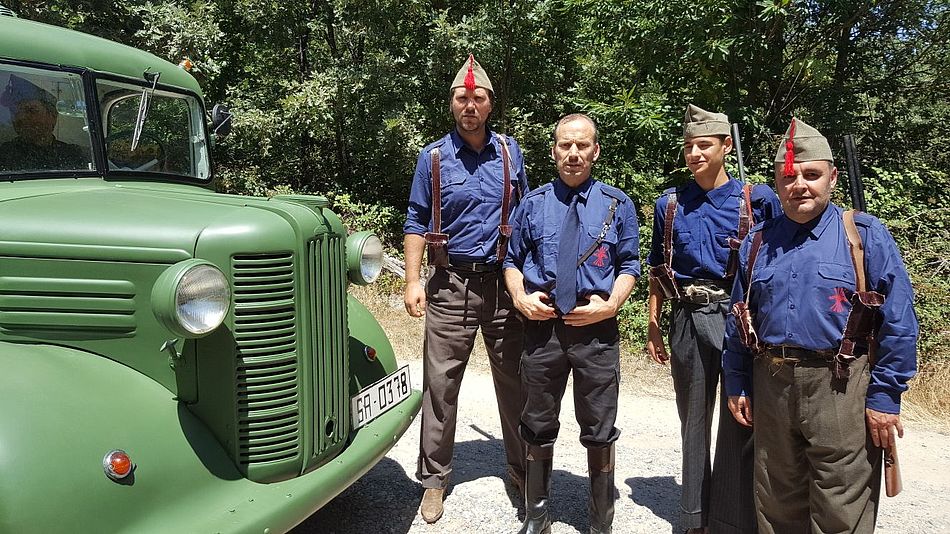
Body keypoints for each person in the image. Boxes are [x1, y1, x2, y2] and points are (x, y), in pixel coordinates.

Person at [722, 118, 918, 533]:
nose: (799, 186)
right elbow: (738, 317)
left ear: (832, 177)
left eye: (811, 175)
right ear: (777, 183)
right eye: (788, 177)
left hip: (839, 385)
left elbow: (898, 322)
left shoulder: (862, 236)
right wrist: (737, 381)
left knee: (841, 502)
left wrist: (885, 397)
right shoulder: (757, 241)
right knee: (776, 498)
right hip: (771, 381)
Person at [403, 54, 529, 524]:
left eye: (477, 98)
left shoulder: (510, 153)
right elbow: (416, 219)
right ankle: (434, 480)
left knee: (514, 382)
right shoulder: (433, 157)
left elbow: (525, 216)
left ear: (490, 104)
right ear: (452, 104)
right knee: (440, 386)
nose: (469, 105)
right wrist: (412, 280)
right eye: (461, 98)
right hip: (449, 284)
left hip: (501, 285)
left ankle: (522, 470)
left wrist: (529, 279)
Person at [646, 104, 782, 534]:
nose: (695, 154)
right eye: (689, 146)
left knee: (743, 414)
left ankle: (736, 515)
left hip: (738, 319)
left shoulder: (757, 200)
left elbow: (776, 262)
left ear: (725, 146)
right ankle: (695, 517)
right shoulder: (670, 204)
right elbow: (657, 267)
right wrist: (653, 324)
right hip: (687, 316)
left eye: (704, 145)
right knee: (694, 421)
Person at [504, 113, 639, 534]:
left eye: (582, 145)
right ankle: (537, 517)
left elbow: (630, 265)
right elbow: (511, 261)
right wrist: (520, 297)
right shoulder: (533, 204)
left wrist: (611, 305)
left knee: (600, 427)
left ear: (595, 151)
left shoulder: (617, 204)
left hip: (595, 331)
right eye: (566, 145)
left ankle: (601, 523)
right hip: (543, 329)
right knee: (537, 422)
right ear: (554, 150)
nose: (574, 153)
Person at [0, 74, 85, 172]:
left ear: (52, 116)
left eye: (31, 110)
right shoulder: (5, 155)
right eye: (17, 111)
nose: (21, 117)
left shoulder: (72, 154)